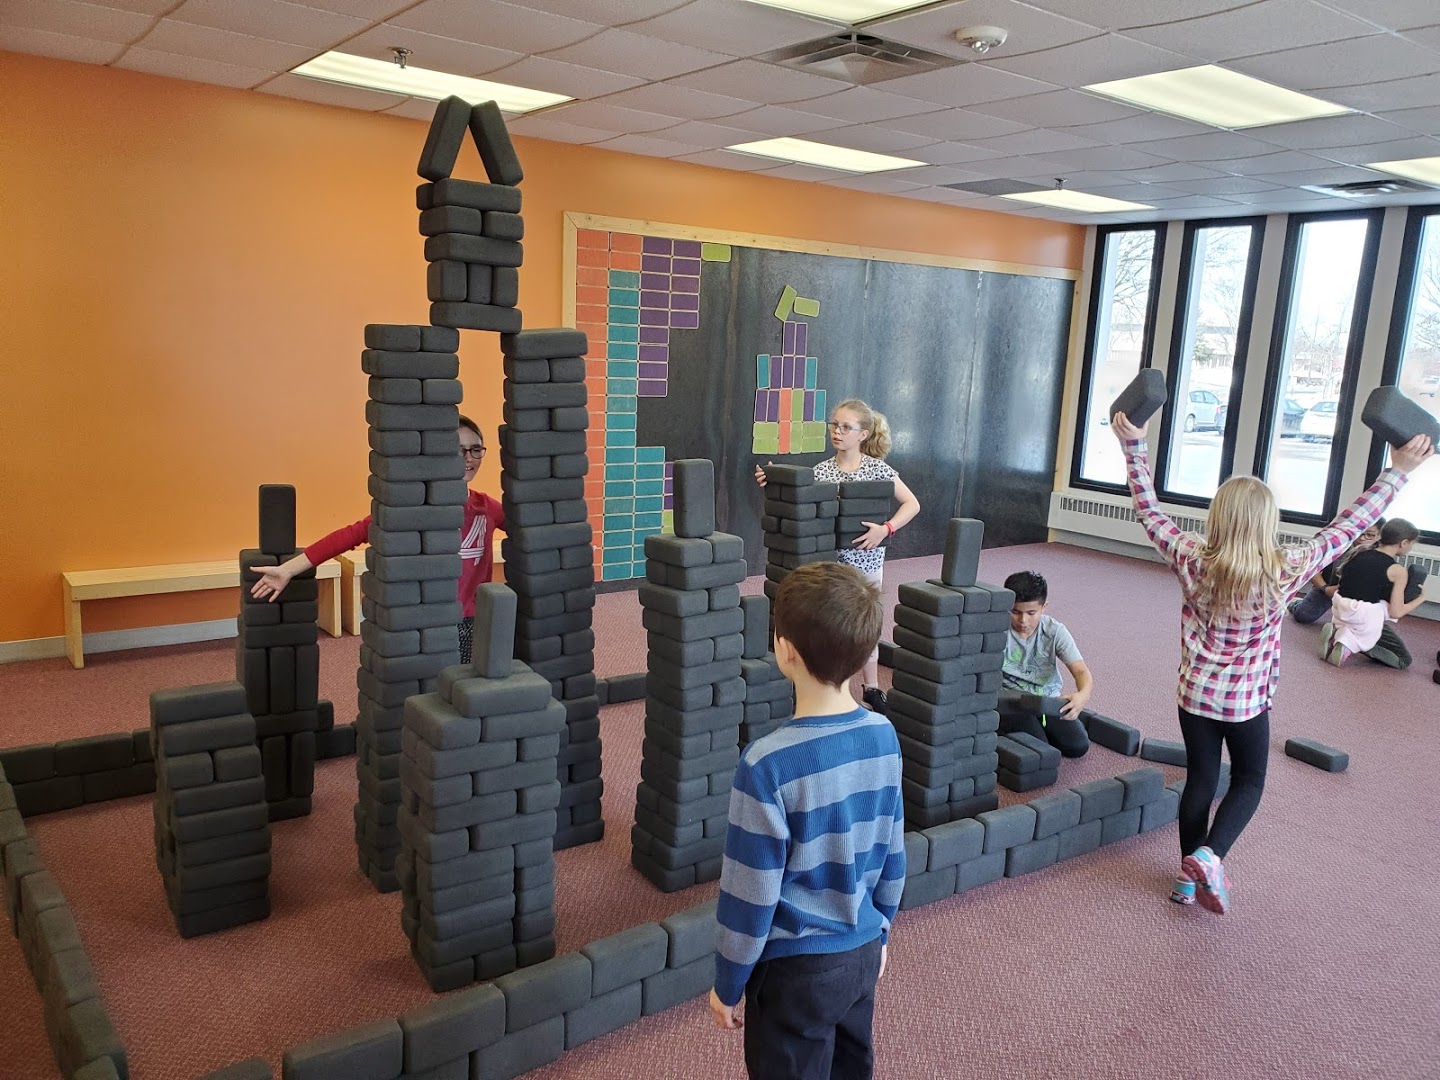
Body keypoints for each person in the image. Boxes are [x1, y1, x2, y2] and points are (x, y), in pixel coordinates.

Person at [1112, 411, 1431, 915]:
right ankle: (1211, 856)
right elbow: (1348, 526)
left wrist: (1134, 446)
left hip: (1195, 695)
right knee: (1249, 781)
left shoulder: (1191, 557)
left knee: (1200, 780)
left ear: (1217, 517)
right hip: (1246, 703)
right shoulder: (1286, 567)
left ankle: (1186, 882)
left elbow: (1148, 511)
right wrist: (1399, 471)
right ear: (1268, 522)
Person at [710, 562, 905, 1080]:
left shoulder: (766, 763)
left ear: (785, 651)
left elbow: (750, 893)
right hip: (863, 951)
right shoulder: (884, 735)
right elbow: (893, 852)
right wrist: (882, 930)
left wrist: (728, 983)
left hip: (795, 972)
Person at [248, 416, 504, 666]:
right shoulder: (415, 509)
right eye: (458, 449)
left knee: (466, 684)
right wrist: (289, 569)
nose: (468, 458)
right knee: (432, 684)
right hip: (428, 620)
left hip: (472, 618)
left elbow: (523, 528)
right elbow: (351, 535)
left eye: (475, 449)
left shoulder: (487, 508)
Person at [754, 399, 921, 715]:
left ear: (863, 434)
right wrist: (773, 481)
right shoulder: (822, 471)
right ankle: (832, 690)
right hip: (833, 564)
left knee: (866, 624)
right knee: (834, 625)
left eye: (846, 427)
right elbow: (802, 505)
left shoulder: (878, 469)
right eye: (834, 425)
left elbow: (912, 504)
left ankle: (872, 687)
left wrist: (886, 529)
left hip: (867, 563)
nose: (837, 431)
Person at [998, 570, 1093, 758]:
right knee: (1039, 749)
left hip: (1047, 699)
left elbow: (1081, 671)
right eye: (1015, 612)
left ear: (1043, 607)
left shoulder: (1055, 631)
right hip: (1012, 701)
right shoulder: (997, 630)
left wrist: (1082, 695)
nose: (1023, 620)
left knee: (1077, 747)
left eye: (1031, 613)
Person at [1322, 518, 1425, 669]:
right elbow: (1396, 612)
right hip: (1363, 618)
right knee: (1403, 660)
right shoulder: (1397, 571)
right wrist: (1421, 598)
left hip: (1340, 610)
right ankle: (1347, 644)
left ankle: (1340, 634)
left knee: (1381, 605)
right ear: (1403, 543)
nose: (1410, 548)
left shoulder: (1359, 552)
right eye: (1411, 544)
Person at [1287, 520, 1383, 624]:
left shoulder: (1381, 554)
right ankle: (1296, 604)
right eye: (1359, 533)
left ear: (1379, 536)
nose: (1362, 538)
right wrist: (1324, 588)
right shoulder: (1337, 543)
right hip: (1329, 588)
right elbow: (1311, 567)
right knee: (1303, 615)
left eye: (1369, 535)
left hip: (1358, 597)